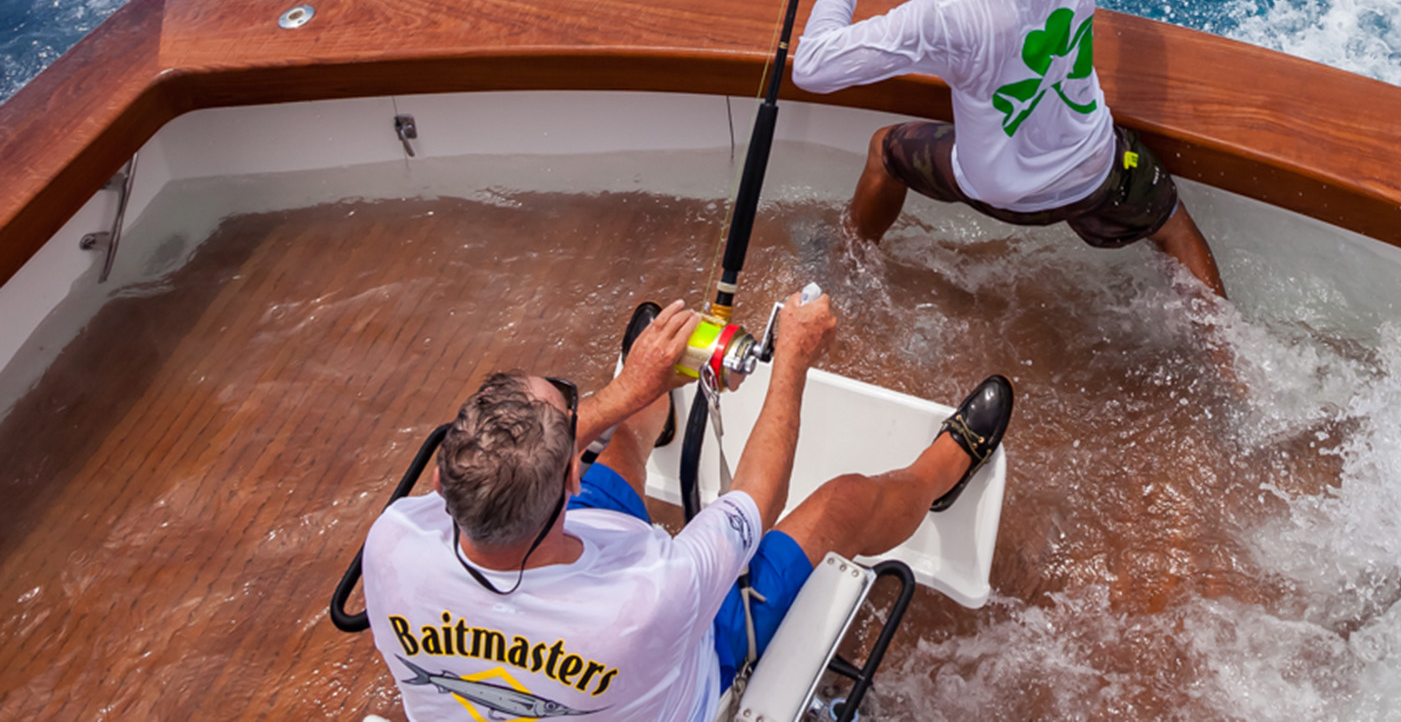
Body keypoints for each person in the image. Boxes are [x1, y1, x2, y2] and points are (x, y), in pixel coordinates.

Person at [361, 292, 1013, 722]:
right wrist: (793, 359)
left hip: (581, 630)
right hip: (694, 668)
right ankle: (942, 473)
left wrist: (629, 389)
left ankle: (651, 418)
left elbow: (527, 464)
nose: (578, 408)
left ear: (445, 482)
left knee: (618, 453)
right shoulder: (650, 598)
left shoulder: (394, 545)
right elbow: (757, 499)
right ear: (567, 487)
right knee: (837, 505)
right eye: (571, 405)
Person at [792, 0, 1226, 296]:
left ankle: (842, 274)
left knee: (885, 150)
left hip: (996, 190)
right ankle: (1232, 364)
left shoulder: (946, 19)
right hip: (1094, 171)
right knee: (1171, 223)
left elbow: (812, 65)